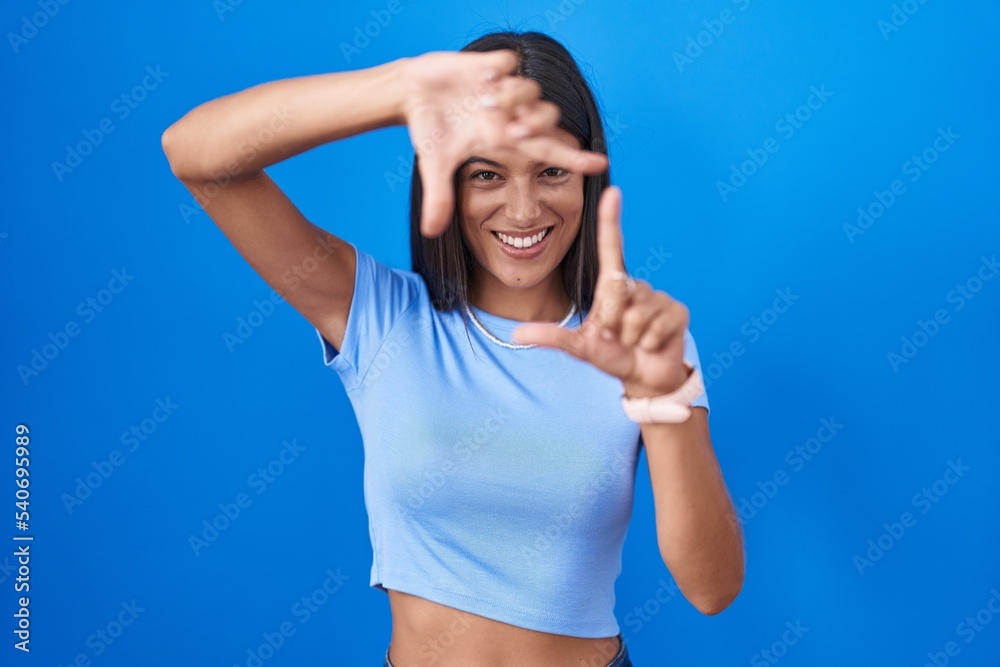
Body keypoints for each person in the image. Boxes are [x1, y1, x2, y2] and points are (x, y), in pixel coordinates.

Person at [162, 28, 744, 667]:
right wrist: (399, 91)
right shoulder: (379, 317)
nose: (522, 210)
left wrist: (663, 397)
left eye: (551, 170)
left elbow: (712, 589)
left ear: (587, 176)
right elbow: (194, 153)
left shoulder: (637, 336)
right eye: (487, 174)